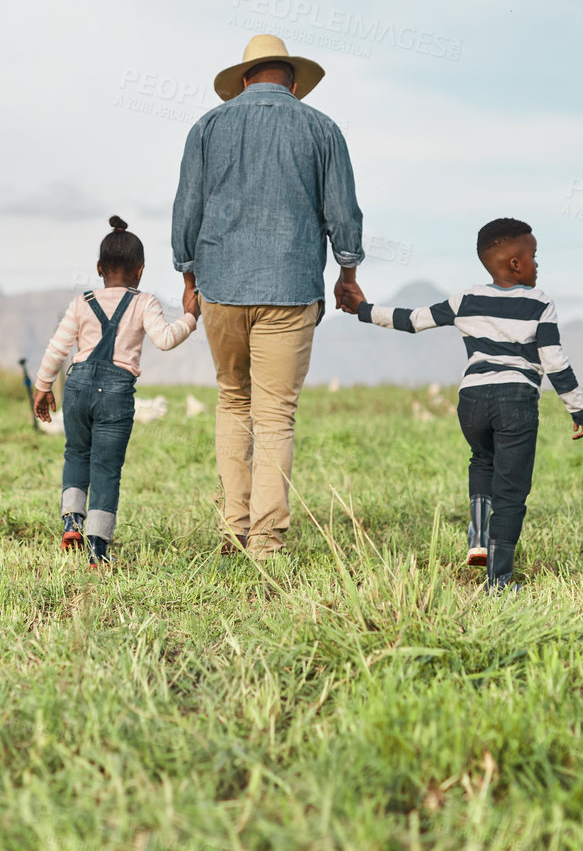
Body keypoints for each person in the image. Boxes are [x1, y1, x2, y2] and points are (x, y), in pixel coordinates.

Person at [172, 34, 364, 559]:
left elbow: (187, 210)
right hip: (291, 285)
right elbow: (342, 213)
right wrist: (347, 274)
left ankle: (233, 528)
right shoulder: (321, 128)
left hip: (222, 287)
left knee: (233, 400)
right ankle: (266, 542)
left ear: (243, 80)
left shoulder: (207, 127)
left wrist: (189, 281)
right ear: (295, 83)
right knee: (276, 415)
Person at [338, 218, 583, 590]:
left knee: (482, 461)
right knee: (512, 487)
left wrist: (362, 308)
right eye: (534, 256)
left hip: (472, 401)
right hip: (515, 400)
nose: (538, 264)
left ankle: (478, 539)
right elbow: (553, 360)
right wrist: (577, 408)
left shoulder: (467, 299)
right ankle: (500, 580)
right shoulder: (539, 303)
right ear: (515, 263)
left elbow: (412, 320)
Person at [32, 216, 200, 567]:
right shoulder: (145, 302)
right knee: (106, 468)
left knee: (76, 453)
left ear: (98, 268)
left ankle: (71, 521)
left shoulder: (82, 302)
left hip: (76, 387)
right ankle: (97, 551)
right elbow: (165, 340)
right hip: (117, 394)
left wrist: (43, 386)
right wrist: (189, 317)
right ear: (140, 271)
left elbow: (57, 348)